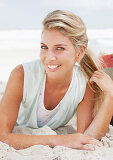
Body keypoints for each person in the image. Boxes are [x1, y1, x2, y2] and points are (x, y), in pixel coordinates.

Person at [0, 10, 113, 150]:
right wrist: (61, 140)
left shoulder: (84, 83)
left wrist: (110, 95)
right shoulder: (21, 75)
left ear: (79, 52)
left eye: (59, 48)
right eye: (44, 47)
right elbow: (3, 136)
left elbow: (87, 138)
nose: (49, 57)